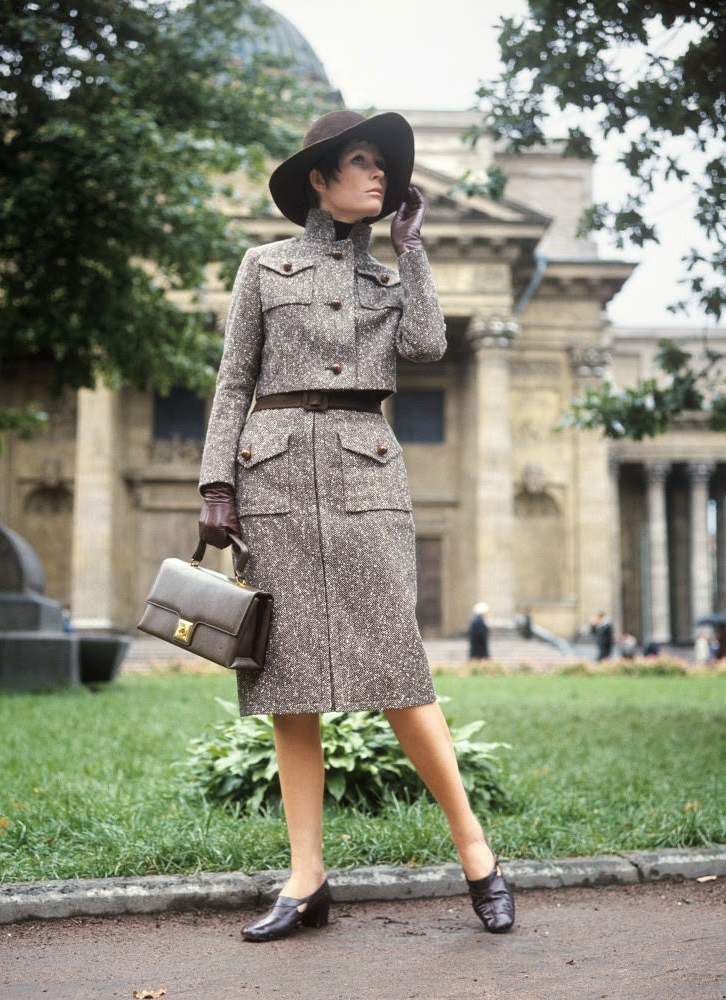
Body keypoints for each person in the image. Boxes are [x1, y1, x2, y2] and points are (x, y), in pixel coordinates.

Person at [197, 110, 514, 941]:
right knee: (287, 686)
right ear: (320, 177)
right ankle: (306, 882)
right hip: (272, 483)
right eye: (365, 163)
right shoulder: (263, 267)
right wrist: (216, 483)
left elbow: (428, 344)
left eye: (385, 167)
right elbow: (235, 384)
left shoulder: (386, 280)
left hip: (366, 479)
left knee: (401, 674)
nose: (380, 178)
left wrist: (411, 249)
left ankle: (477, 857)